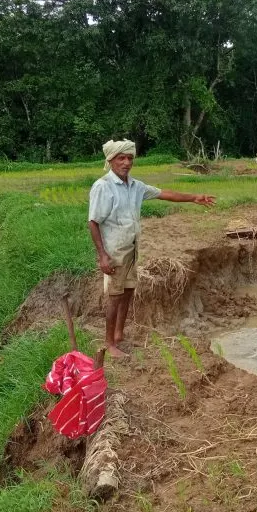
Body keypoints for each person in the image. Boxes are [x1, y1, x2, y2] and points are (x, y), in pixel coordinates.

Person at [88, 139, 215, 358]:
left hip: (131, 249)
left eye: (130, 158)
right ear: (111, 160)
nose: (126, 162)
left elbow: (164, 194)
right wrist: (103, 256)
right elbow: (93, 222)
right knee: (115, 296)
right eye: (121, 158)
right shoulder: (103, 187)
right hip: (114, 252)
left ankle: (119, 335)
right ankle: (109, 343)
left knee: (128, 292)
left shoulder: (136, 186)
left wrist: (194, 198)